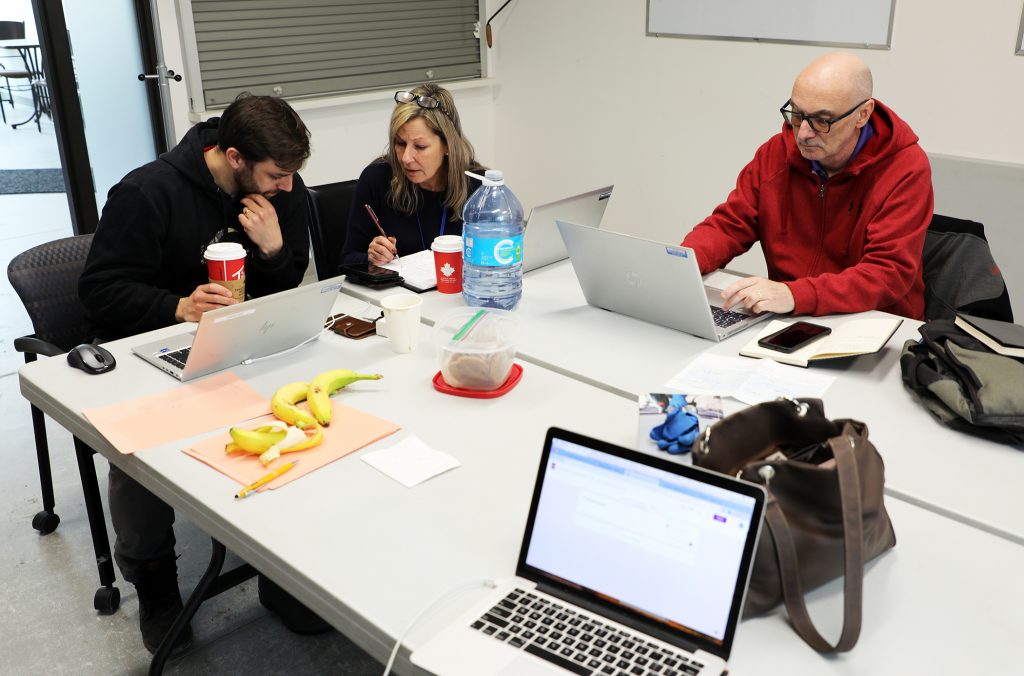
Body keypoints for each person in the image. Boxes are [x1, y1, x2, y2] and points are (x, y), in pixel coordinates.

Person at [78, 93, 311, 654]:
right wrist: (177, 307)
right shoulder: (146, 193)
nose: (287, 187)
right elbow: (100, 292)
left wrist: (276, 249)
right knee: (135, 460)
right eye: (277, 175)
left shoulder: (278, 187)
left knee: (306, 423)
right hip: (154, 351)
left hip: (244, 344)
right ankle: (155, 581)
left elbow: (285, 282)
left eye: (292, 176)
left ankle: (288, 561)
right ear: (234, 156)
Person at [682, 52, 933, 319]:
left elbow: (888, 272)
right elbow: (729, 224)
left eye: (822, 120)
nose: (802, 133)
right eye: (798, 115)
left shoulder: (905, 168)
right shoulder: (776, 155)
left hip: (874, 323)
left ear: (863, 114)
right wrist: (683, 263)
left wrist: (794, 295)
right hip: (792, 317)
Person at [339, 83, 485, 267]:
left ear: (448, 145)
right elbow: (347, 260)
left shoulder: (480, 186)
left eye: (420, 146)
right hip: (400, 295)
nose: (406, 158)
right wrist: (371, 258)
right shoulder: (377, 179)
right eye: (400, 143)